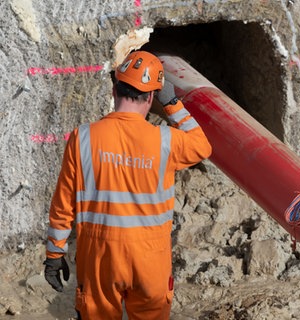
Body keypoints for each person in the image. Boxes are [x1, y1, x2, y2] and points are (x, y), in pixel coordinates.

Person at [43, 50, 212, 319]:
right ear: (151, 97)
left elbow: (63, 205)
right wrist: (173, 104)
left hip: (99, 258)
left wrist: (54, 253)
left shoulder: (82, 138)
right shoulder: (167, 141)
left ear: (114, 90)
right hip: (150, 259)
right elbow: (203, 146)